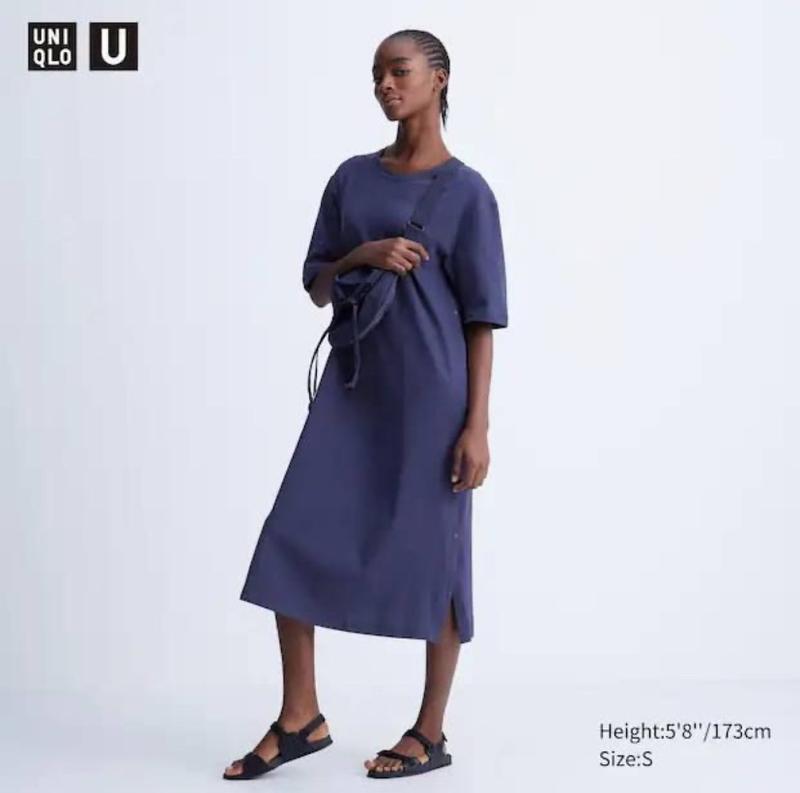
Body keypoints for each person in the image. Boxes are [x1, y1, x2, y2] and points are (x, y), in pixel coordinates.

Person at [224, 28, 508, 781]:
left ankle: (430, 732)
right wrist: (364, 253)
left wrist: (477, 424)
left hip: (434, 398)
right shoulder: (351, 179)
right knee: (292, 534)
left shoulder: (468, 193)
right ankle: (301, 716)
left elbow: (482, 319)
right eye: (377, 74)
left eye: (399, 70)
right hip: (352, 390)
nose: (385, 84)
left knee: (437, 556)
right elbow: (318, 284)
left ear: (439, 79)